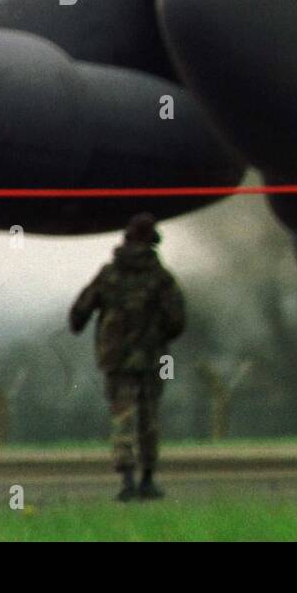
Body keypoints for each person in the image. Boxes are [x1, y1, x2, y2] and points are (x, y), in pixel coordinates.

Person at [70, 212, 186, 501]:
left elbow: (78, 314)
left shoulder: (108, 274)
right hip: (151, 359)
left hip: (116, 359)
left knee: (122, 418)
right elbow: (177, 321)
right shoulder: (161, 277)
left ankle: (127, 481)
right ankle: (148, 481)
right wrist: (156, 335)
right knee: (149, 419)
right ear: (153, 242)